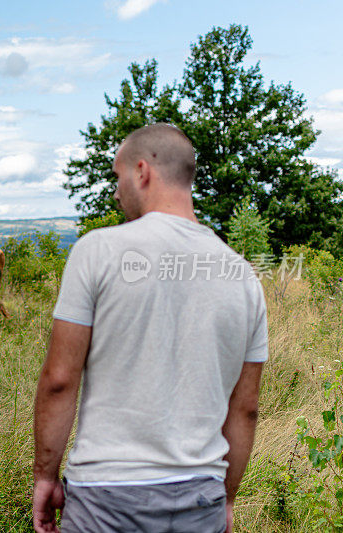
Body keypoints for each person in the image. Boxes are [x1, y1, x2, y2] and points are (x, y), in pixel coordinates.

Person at [32, 123, 267, 533]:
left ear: (143, 172)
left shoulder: (97, 251)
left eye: (118, 177)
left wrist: (46, 477)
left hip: (107, 496)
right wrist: (226, 499)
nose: (117, 191)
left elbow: (59, 380)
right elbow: (245, 408)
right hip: (201, 498)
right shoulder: (244, 276)